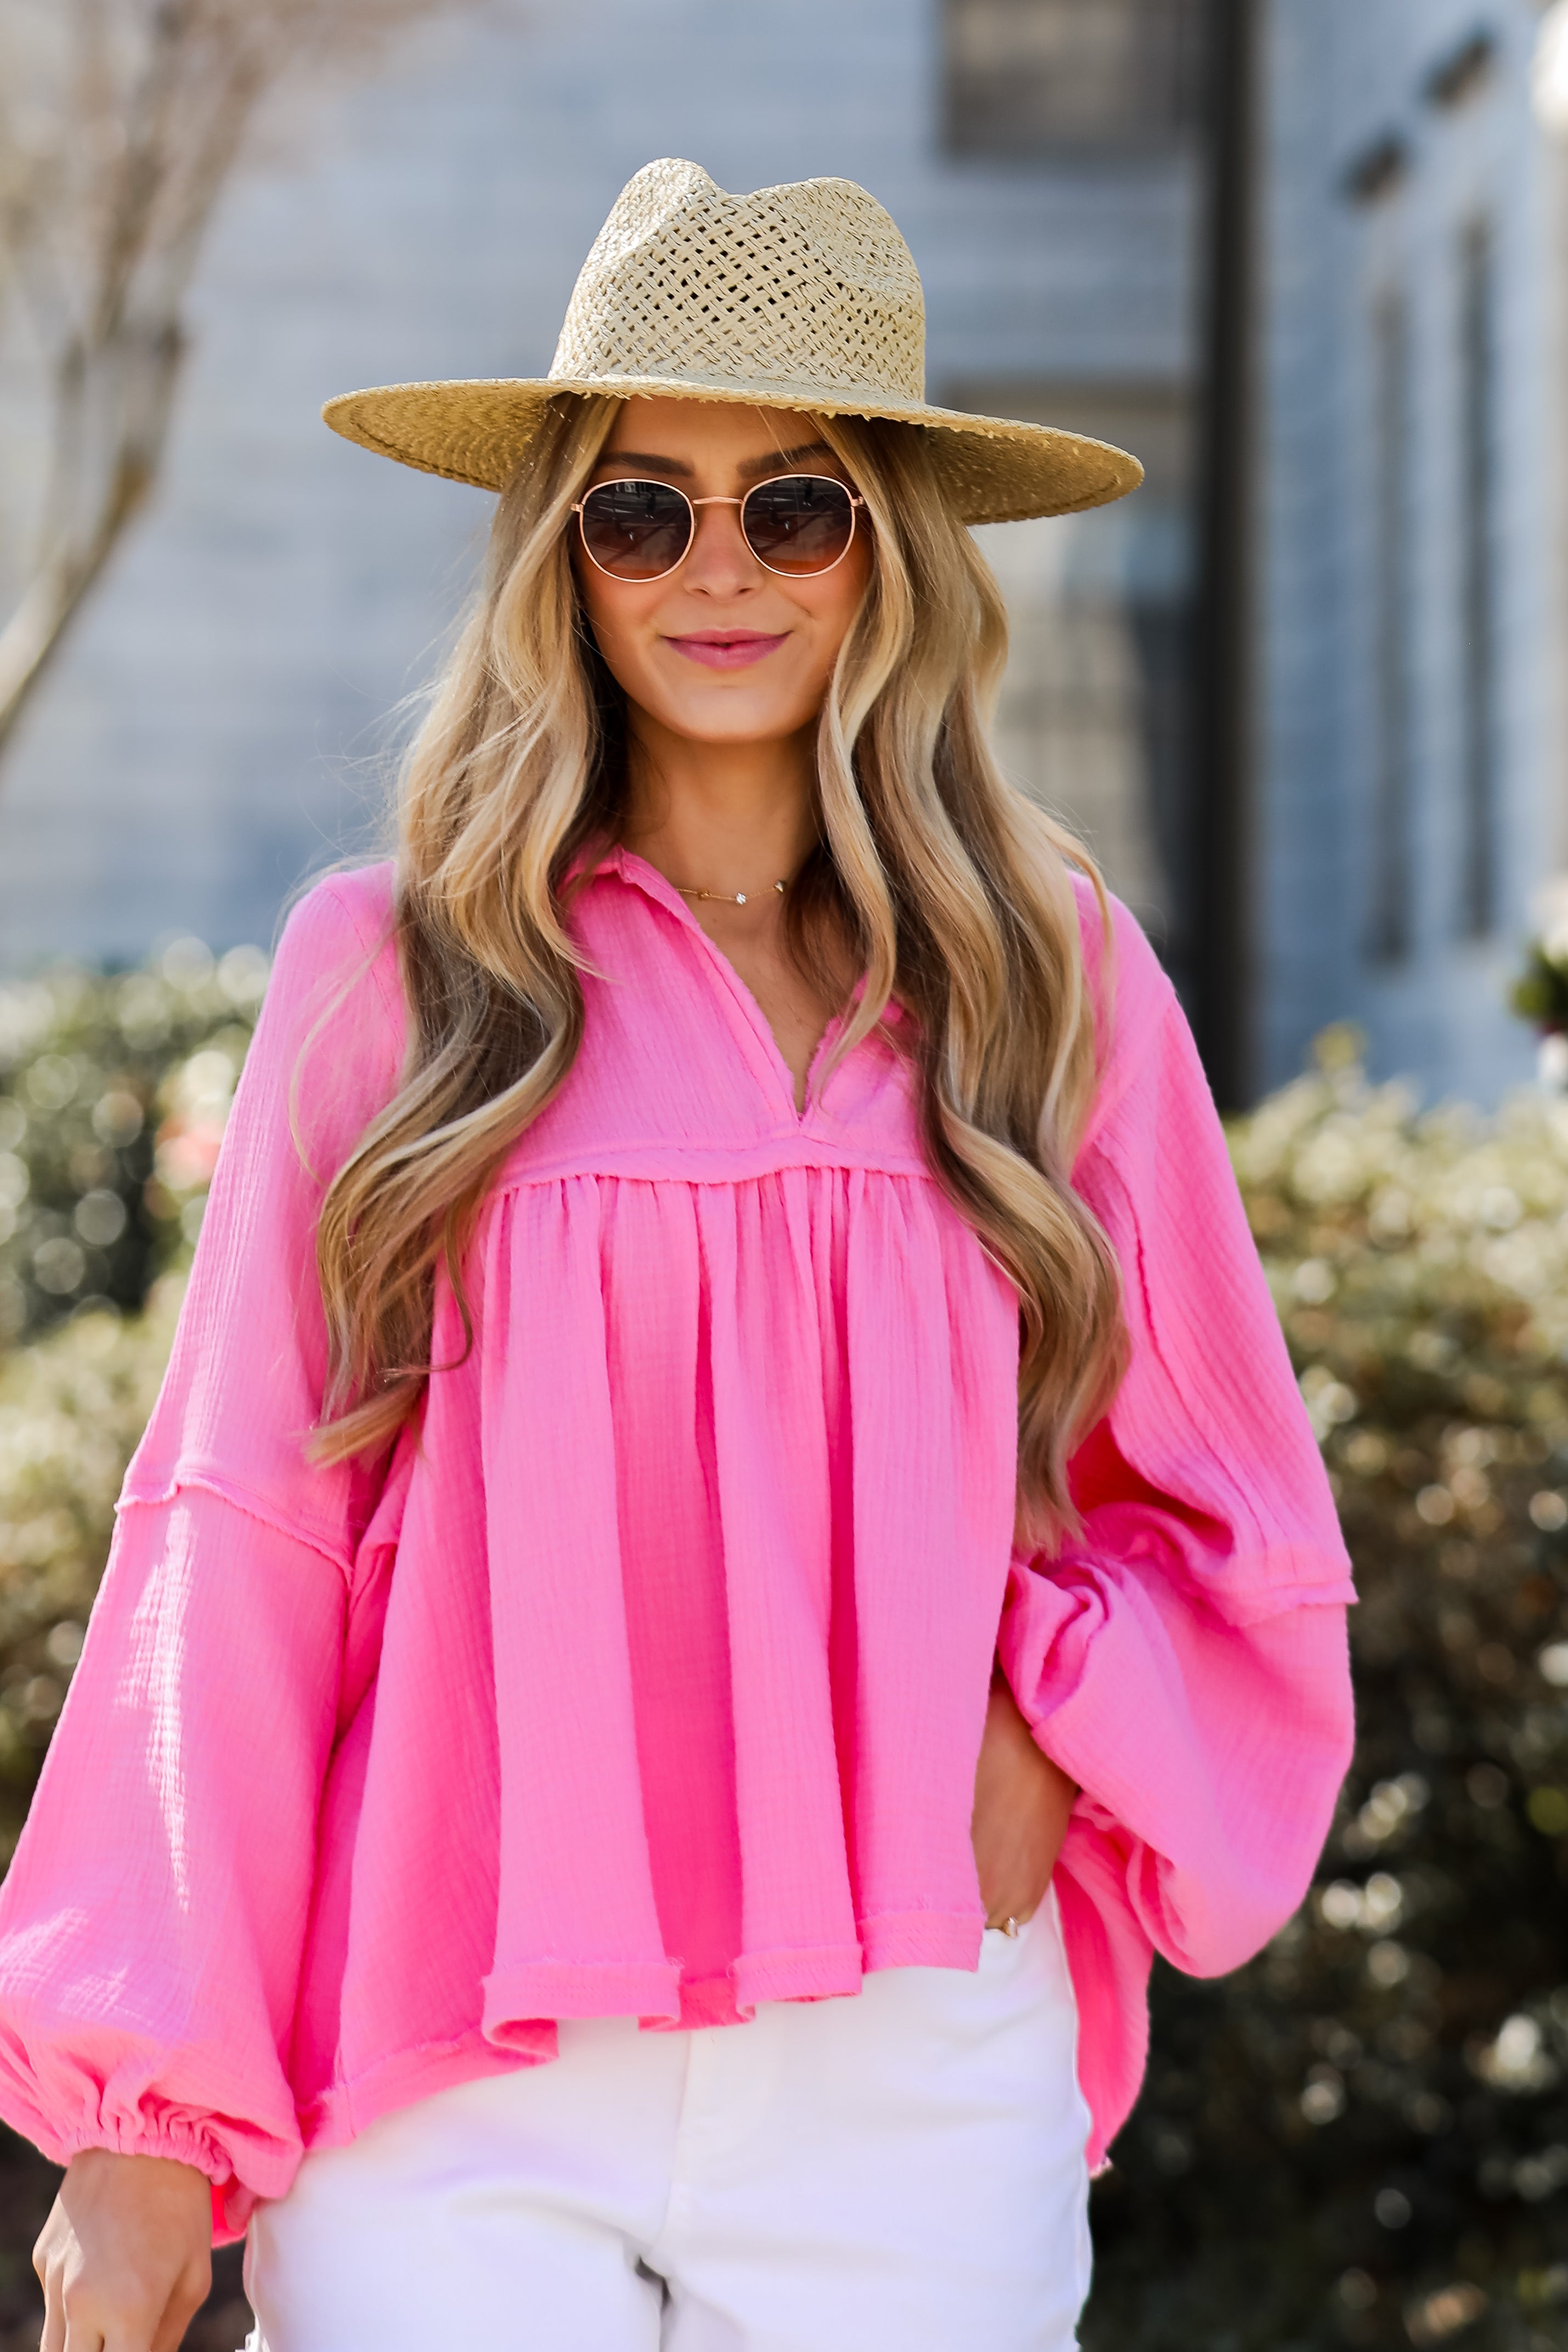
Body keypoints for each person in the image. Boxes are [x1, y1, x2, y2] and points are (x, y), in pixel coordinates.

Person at [0, 160, 1355, 2352]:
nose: (715, 567)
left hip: (913, 2064)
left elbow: (1231, 1522)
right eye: (641, 511)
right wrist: (138, 2125)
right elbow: (238, 1535)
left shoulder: (1050, 981)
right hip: (456, 2059)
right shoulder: (398, 974)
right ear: (565, 555)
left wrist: (1042, 1724)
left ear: (886, 551)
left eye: (790, 508)